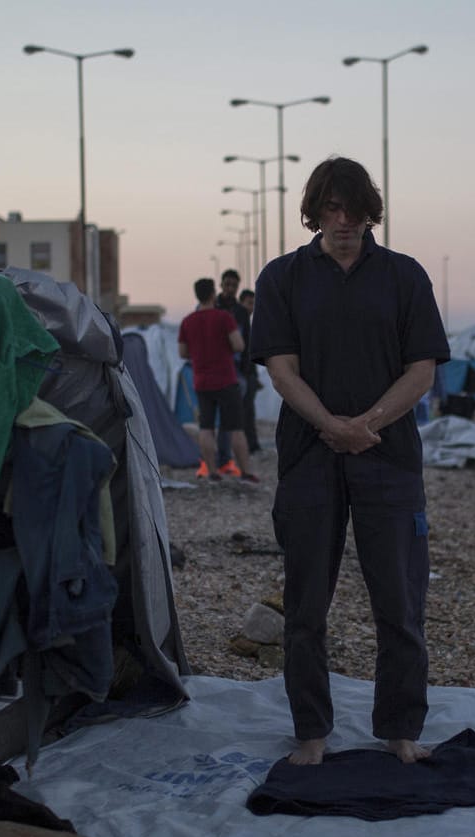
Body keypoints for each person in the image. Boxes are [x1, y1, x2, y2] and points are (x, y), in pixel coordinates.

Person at [249, 157, 448, 765]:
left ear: (370, 212)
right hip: (310, 458)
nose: (344, 220)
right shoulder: (282, 278)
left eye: (355, 209)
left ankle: (400, 733)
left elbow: (423, 369)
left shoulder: (404, 277)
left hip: (389, 460)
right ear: (314, 212)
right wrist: (331, 426)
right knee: (306, 606)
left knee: (400, 603)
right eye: (332, 208)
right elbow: (282, 370)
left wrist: (366, 426)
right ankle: (312, 735)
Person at [178, 277, 255, 483]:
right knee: (236, 427)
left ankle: (212, 472)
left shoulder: (187, 321)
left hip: (202, 381)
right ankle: (245, 472)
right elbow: (239, 345)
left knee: (206, 427)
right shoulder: (224, 318)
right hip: (226, 379)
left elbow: (183, 353)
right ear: (213, 294)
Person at [214, 270, 263, 456]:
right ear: (221, 284)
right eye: (227, 284)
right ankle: (222, 454)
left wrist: (248, 371)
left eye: (233, 285)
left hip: (239, 370)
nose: (230, 289)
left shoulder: (241, 312)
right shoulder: (213, 308)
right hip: (218, 368)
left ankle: (247, 447)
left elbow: (247, 341)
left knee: (244, 411)